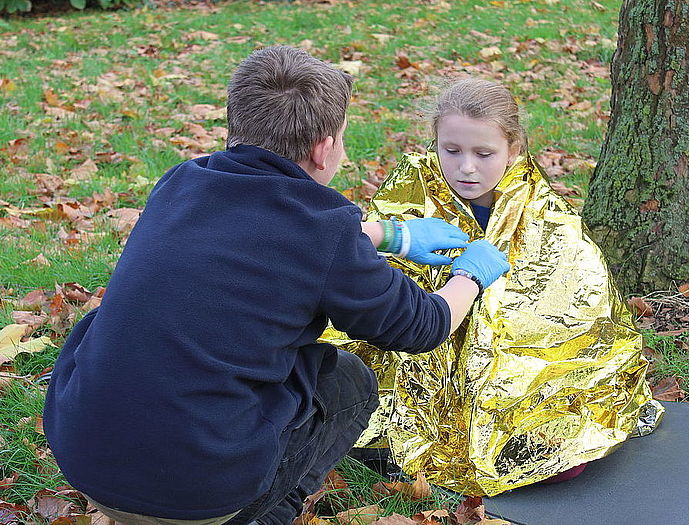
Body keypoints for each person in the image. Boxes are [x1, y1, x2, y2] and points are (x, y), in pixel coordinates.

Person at [42, 48, 511, 525]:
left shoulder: (184, 180)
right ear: (324, 149)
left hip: (84, 455)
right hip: (193, 496)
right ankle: (262, 516)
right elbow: (422, 325)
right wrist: (469, 275)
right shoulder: (324, 231)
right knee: (346, 380)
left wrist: (391, 235)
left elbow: (266, 235)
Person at [325, 76, 663, 496]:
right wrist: (401, 245)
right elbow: (366, 286)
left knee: (561, 462)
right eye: (452, 151)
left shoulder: (545, 218)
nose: (466, 167)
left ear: (514, 151)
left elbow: (575, 312)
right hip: (421, 354)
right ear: (435, 143)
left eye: (484, 154)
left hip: (512, 375)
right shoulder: (410, 194)